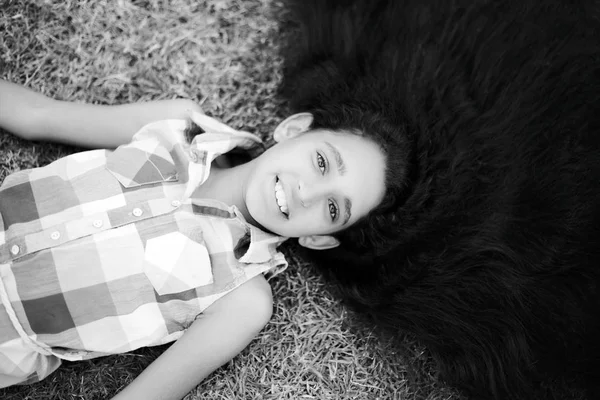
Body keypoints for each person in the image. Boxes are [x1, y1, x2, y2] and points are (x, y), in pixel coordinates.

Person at [0, 79, 408, 399]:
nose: (309, 192)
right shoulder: (179, 126)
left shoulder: (242, 299)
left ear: (321, 239)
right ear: (295, 129)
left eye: (333, 209)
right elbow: (38, 115)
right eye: (321, 162)